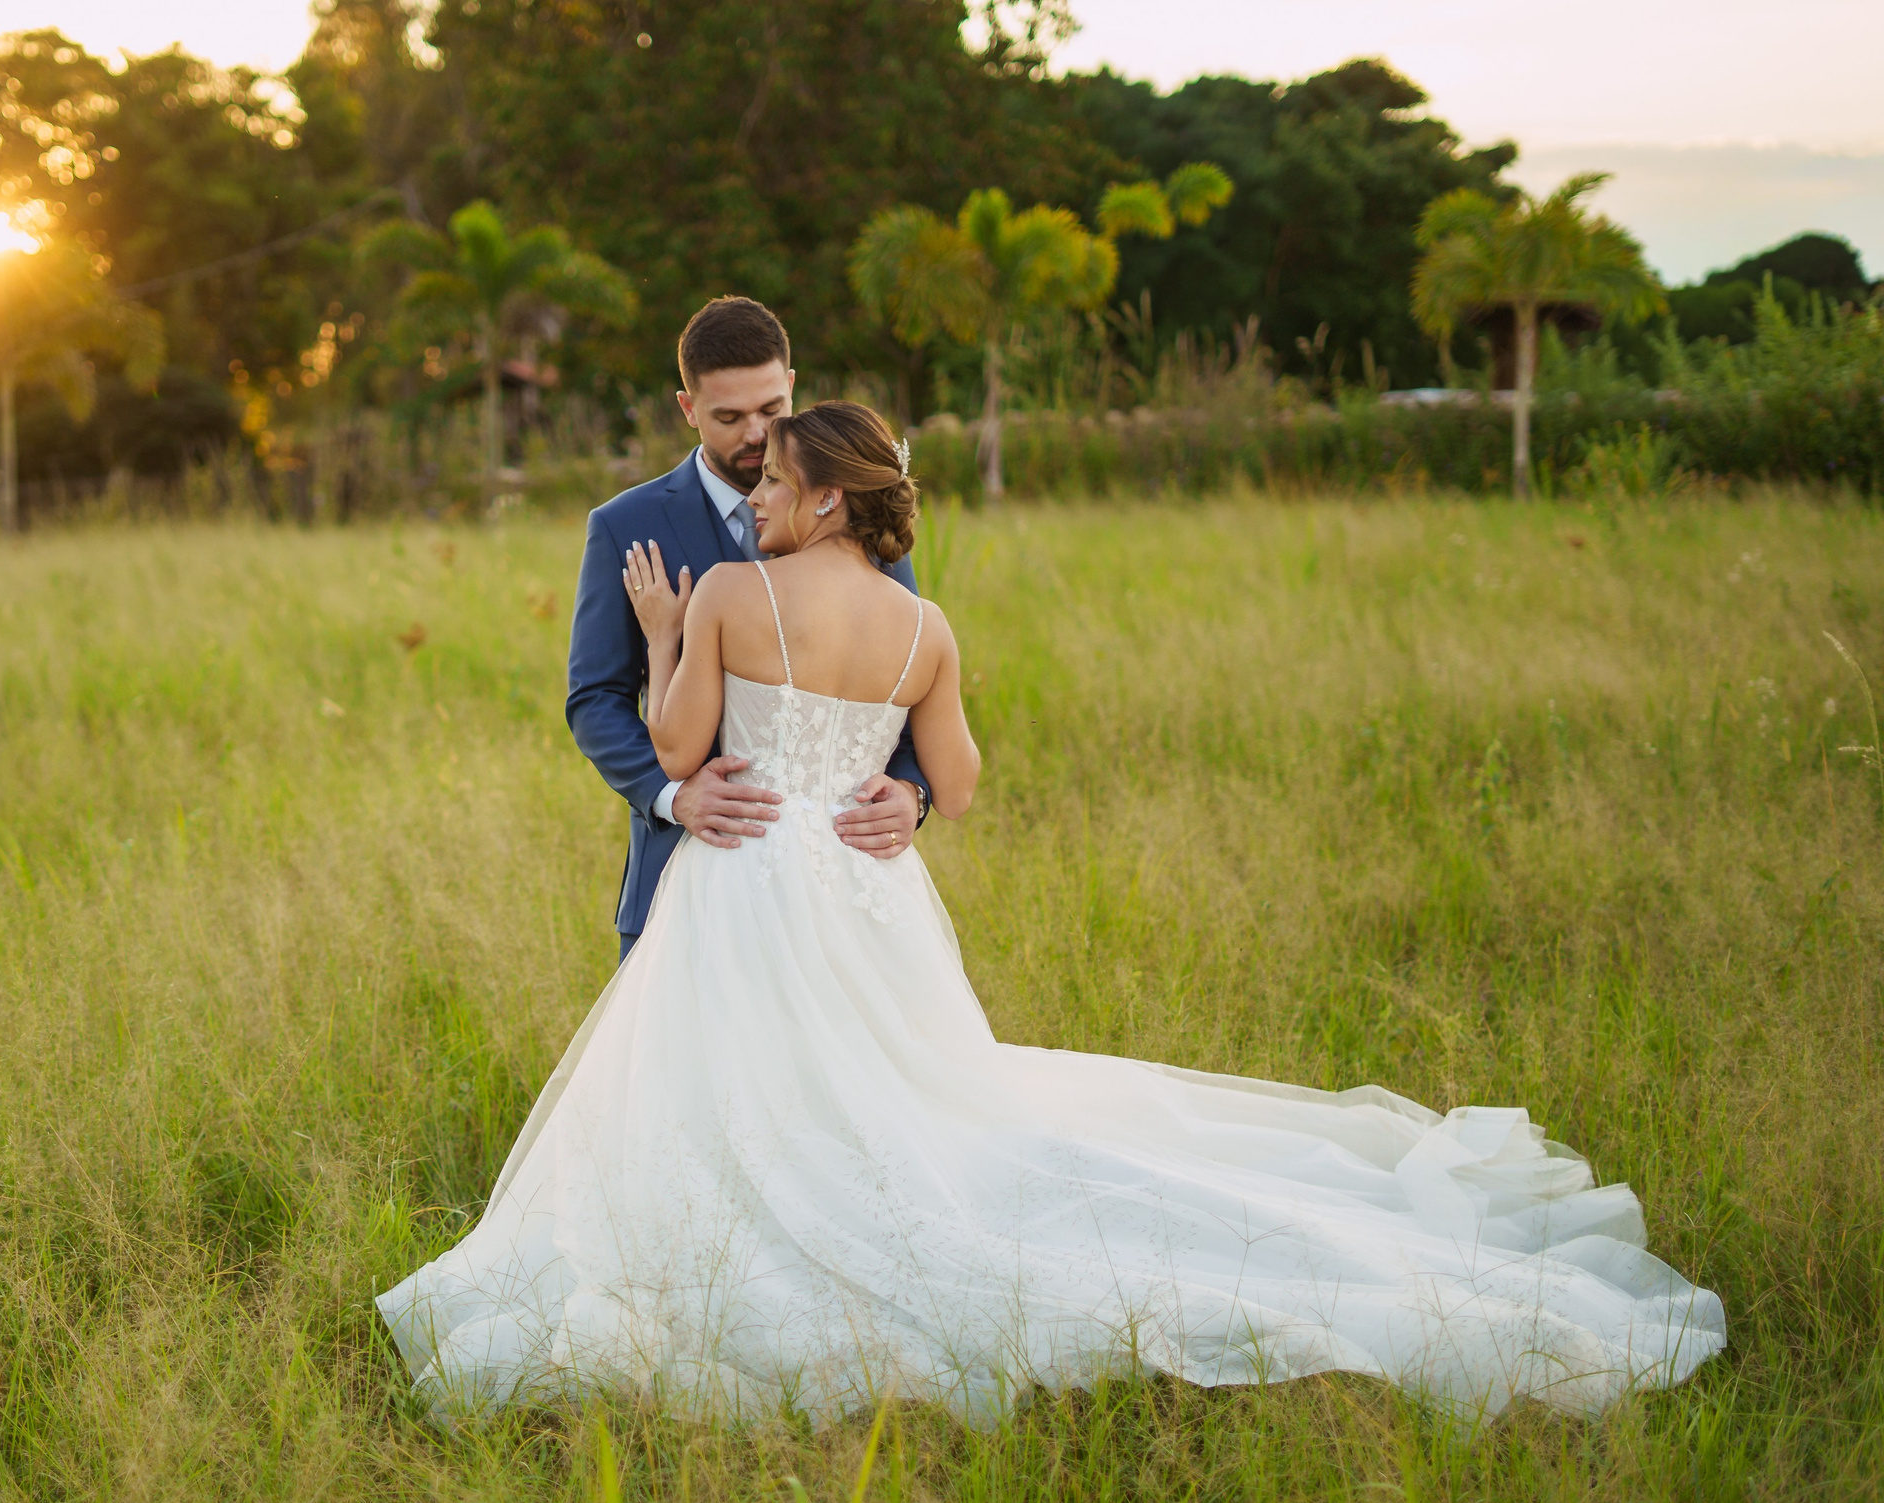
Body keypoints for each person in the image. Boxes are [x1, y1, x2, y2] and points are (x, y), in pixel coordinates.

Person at [376, 400, 1724, 1428]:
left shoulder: (728, 593)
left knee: (739, 1094)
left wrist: (668, 637)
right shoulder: (927, 628)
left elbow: (677, 752)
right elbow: (954, 786)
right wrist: (886, 787)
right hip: (870, 890)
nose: (759, 500)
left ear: (830, 495)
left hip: (749, 879)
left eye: (776, 481)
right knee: (905, 1096)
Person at [563, 296, 932, 961]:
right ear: (688, 408)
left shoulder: (861, 511)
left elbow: (907, 680)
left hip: (841, 888)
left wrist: (911, 792)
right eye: (729, 418)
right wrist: (673, 795)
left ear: (791, 384)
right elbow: (595, 698)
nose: (757, 434)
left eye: (771, 409)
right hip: (682, 878)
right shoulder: (625, 526)